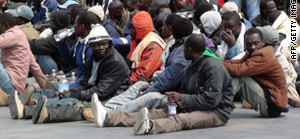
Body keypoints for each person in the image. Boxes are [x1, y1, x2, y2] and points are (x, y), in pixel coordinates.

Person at [90, 33, 234, 135]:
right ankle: (108, 118)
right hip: (193, 106)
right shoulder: (191, 66)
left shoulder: (213, 67)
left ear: (189, 49)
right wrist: (174, 100)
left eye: (183, 49)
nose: (182, 52)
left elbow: (211, 100)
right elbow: (183, 89)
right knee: (159, 112)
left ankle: (149, 127)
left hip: (216, 112)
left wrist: (182, 98)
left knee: (181, 120)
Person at [8, 24, 131, 122]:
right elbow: (85, 81)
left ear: (109, 43)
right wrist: (71, 91)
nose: (100, 48)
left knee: (73, 104)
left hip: (111, 98)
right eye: (96, 45)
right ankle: (27, 105)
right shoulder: (93, 57)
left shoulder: (116, 63)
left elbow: (101, 92)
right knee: (59, 94)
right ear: (91, 46)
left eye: (103, 44)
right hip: (96, 92)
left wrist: (74, 94)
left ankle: (29, 111)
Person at [223, 28, 288, 117]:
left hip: (271, 106)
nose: (253, 47)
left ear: (263, 42)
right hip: (269, 100)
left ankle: (222, 106)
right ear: (246, 44)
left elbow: (240, 69)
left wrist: (219, 65)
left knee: (240, 76)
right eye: (249, 44)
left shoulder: (263, 55)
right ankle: (222, 103)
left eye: (256, 43)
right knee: (234, 71)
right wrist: (220, 62)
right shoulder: (253, 52)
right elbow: (238, 62)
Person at [0, 13, 46, 106]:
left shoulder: (14, 34)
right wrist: (45, 89)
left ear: (6, 26)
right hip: (16, 87)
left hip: (11, 85)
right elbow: (34, 67)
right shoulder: (21, 37)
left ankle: (8, 97)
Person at [256, 26, 300, 107]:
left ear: (264, 42)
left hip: (285, 93)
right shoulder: (275, 51)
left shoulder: (279, 58)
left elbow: (283, 82)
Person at [57, 12, 98, 88]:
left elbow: (87, 77)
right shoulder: (81, 42)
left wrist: (67, 87)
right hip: (77, 81)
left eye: (75, 24)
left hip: (84, 87)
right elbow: (69, 59)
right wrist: (62, 43)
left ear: (81, 27)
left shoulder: (91, 47)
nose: (73, 27)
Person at [127, 11, 165, 83]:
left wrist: (125, 81)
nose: (130, 31)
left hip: (148, 82)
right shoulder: (138, 41)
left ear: (141, 29)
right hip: (134, 78)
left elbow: (143, 74)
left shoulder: (153, 45)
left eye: (133, 29)